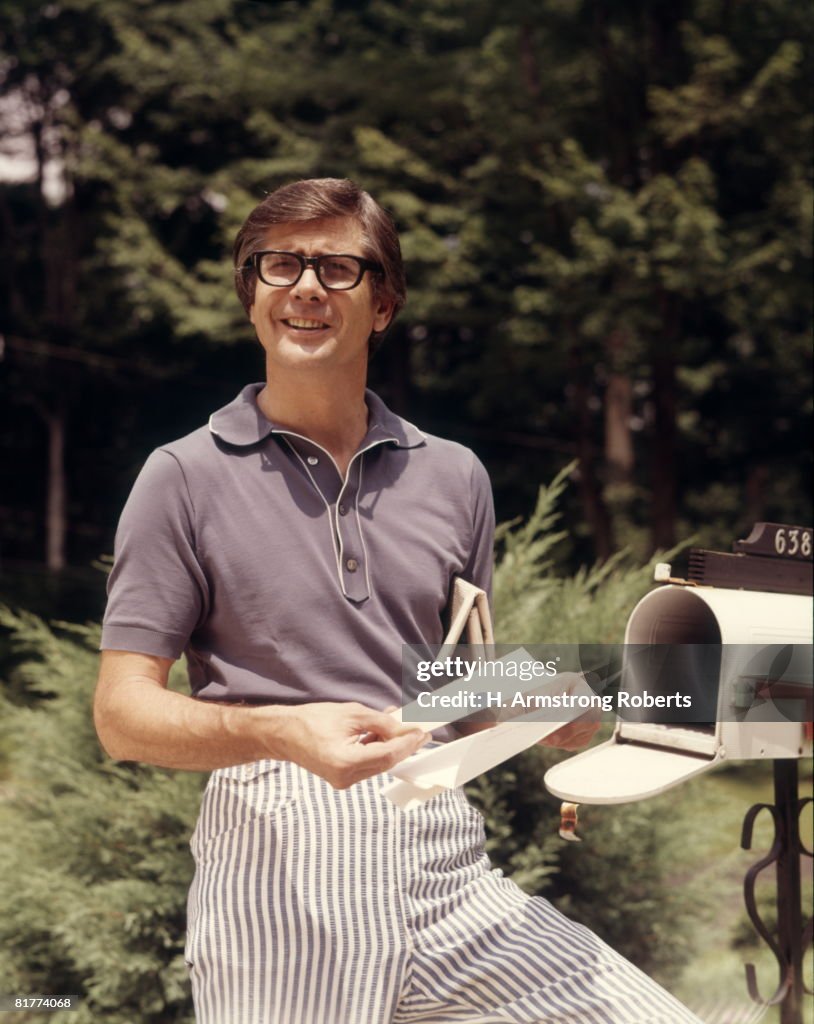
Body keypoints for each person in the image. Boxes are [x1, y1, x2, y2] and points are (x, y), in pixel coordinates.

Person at [94, 178, 702, 1024]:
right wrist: (273, 729)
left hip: (447, 860)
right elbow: (121, 715)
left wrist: (531, 706)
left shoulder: (455, 476)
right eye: (279, 265)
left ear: (382, 303)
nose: (306, 286)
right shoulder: (182, 477)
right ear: (251, 294)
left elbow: (448, 687)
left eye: (339, 268)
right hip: (280, 859)